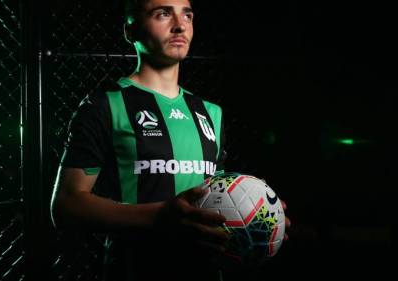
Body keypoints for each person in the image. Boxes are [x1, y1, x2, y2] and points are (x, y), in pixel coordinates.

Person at [50, 0, 290, 280]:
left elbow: (217, 194)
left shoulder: (210, 112)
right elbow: (66, 206)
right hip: (133, 270)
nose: (179, 25)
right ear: (131, 31)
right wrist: (160, 217)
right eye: (163, 13)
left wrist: (259, 215)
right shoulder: (104, 105)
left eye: (187, 14)